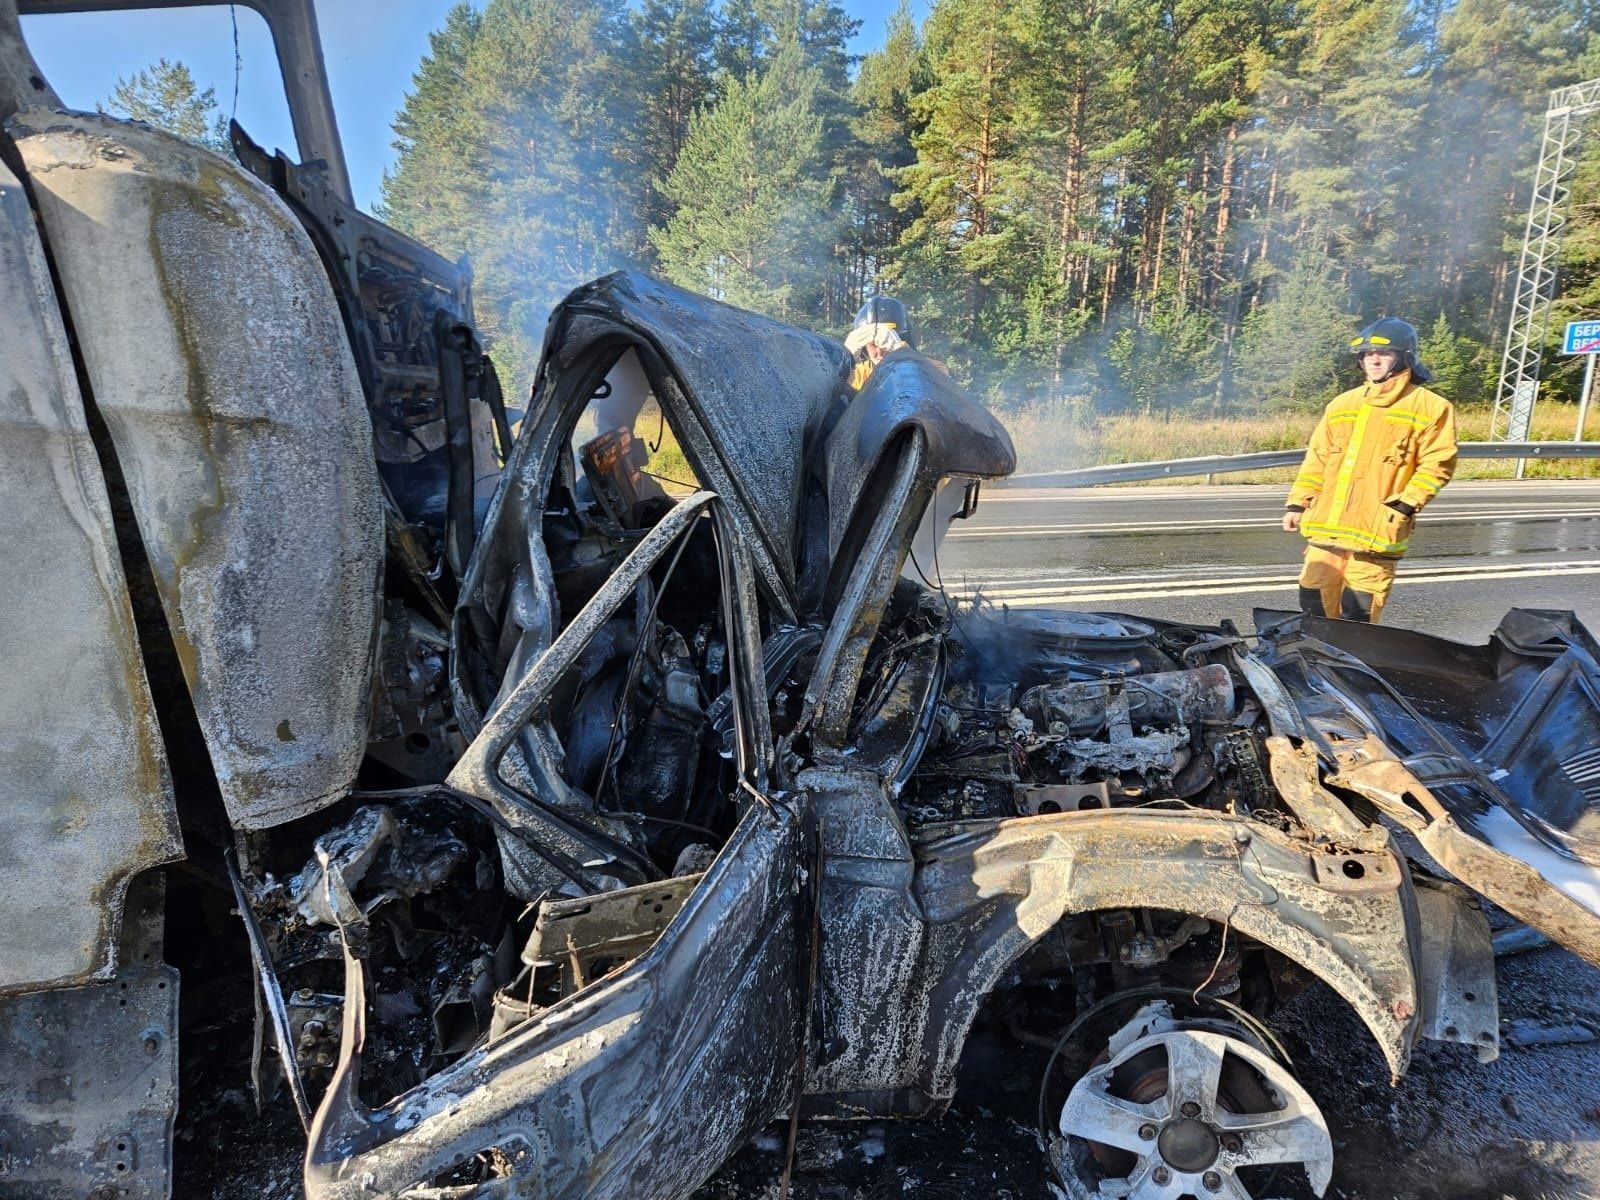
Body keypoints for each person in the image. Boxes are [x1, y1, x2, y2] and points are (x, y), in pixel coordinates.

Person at [1282, 317, 1458, 623]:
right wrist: (1298, 502)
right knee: (1312, 602)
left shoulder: (1431, 407)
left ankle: (1350, 669)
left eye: (1383, 354)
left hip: (1376, 530)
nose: (1373, 360)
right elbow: (1318, 458)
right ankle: (1311, 665)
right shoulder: (1342, 404)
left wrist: (1406, 504)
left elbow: (1438, 463)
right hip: (1327, 527)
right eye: (1366, 355)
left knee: (1357, 615)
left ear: (1404, 357)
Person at [846, 295, 914, 390]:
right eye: (873, 345)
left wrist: (900, 350)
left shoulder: (919, 370)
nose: (880, 352)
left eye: (885, 343)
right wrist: (846, 355)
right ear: (864, 348)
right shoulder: (859, 375)